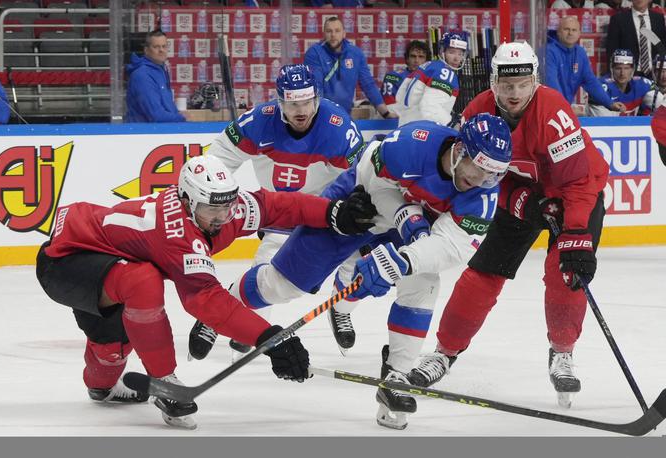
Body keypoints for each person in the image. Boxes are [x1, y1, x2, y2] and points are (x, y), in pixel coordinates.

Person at [211, 114, 512, 430]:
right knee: (283, 284)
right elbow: (374, 179)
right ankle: (224, 305)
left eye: (492, 175)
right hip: (359, 204)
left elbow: (452, 246)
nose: (480, 181)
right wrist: (407, 218)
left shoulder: (482, 195)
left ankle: (396, 377)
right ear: (460, 149)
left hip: (411, 230)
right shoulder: (414, 141)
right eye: (478, 169)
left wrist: (405, 258)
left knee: (424, 281)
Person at [35, 155, 377, 430]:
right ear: (187, 201)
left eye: (227, 206)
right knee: (143, 281)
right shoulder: (177, 236)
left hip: (106, 260)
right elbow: (206, 301)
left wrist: (332, 213)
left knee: (110, 353)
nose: (224, 216)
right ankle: (164, 380)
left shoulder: (220, 206)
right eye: (213, 209)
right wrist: (269, 337)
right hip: (65, 263)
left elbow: (276, 207)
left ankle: (103, 381)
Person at [405, 42, 609, 416]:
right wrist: (520, 203)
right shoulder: (475, 114)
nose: (515, 94)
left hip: (576, 192)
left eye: (523, 84)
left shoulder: (554, 113)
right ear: (494, 82)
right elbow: (475, 176)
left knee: (565, 274)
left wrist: (576, 238)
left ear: (535, 81)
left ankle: (562, 352)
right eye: (507, 85)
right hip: (520, 192)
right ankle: (445, 352)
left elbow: (579, 182)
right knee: (482, 273)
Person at [186, 63, 366, 360]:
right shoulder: (259, 121)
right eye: (292, 102)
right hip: (281, 210)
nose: (301, 110)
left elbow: (362, 176)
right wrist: (213, 199)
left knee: (360, 262)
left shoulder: (338, 128)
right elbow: (217, 160)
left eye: (307, 101)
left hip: (328, 209)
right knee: (266, 276)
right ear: (279, 101)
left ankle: (342, 309)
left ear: (317, 98)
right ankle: (221, 317)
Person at [304, 16, 396, 118]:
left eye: (337, 31)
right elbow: (316, 87)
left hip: (345, 115)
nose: (333, 35)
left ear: (344, 33)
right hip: (321, 115)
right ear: (324, 34)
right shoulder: (314, 53)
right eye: (329, 31)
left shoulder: (355, 54)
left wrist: (386, 113)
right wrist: (319, 117)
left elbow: (368, 85)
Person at [546, 16, 626, 116]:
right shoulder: (549, 51)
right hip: (548, 110)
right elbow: (552, 85)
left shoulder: (580, 52)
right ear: (558, 32)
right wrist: (564, 108)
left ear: (579, 33)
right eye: (566, 29)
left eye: (574, 30)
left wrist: (610, 103)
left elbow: (591, 82)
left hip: (562, 110)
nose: (570, 33)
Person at [393, 32, 467, 127]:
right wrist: (453, 124)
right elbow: (430, 108)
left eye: (460, 54)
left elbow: (399, 100)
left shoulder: (428, 66)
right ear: (442, 52)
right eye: (451, 52)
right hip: (422, 131)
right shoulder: (445, 72)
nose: (456, 58)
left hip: (404, 127)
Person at [125, 30, 186, 123]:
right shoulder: (142, 75)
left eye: (164, 46)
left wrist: (178, 115)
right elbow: (156, 115)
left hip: (161, 133)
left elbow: (168, 108)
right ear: (146, 50)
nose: (161, 50)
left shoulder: (161, 71)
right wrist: (182, 118)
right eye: (156, 47)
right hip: (145, 134)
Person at [587, 49, 664, 116]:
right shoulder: (600, 87)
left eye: (626, 68)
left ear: (633, 69)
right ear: (612, 69)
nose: (622, 73)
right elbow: (604, 124)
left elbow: (663, 105)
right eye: (618, 68)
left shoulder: (642, 84)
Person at [606, 0, 666, 78]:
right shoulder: (619, 19)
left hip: (655, 73)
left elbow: (661, 47)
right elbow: (611, 50)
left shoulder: (658, 18)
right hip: (628, 75)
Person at [380, 40, 430, 116]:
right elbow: (389, 106)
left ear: (427, 61)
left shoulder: (432, 79)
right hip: (397, 121)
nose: (416, 61)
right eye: (413, 56)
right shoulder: (393, 76)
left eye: (421, 57)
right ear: (407, 59)